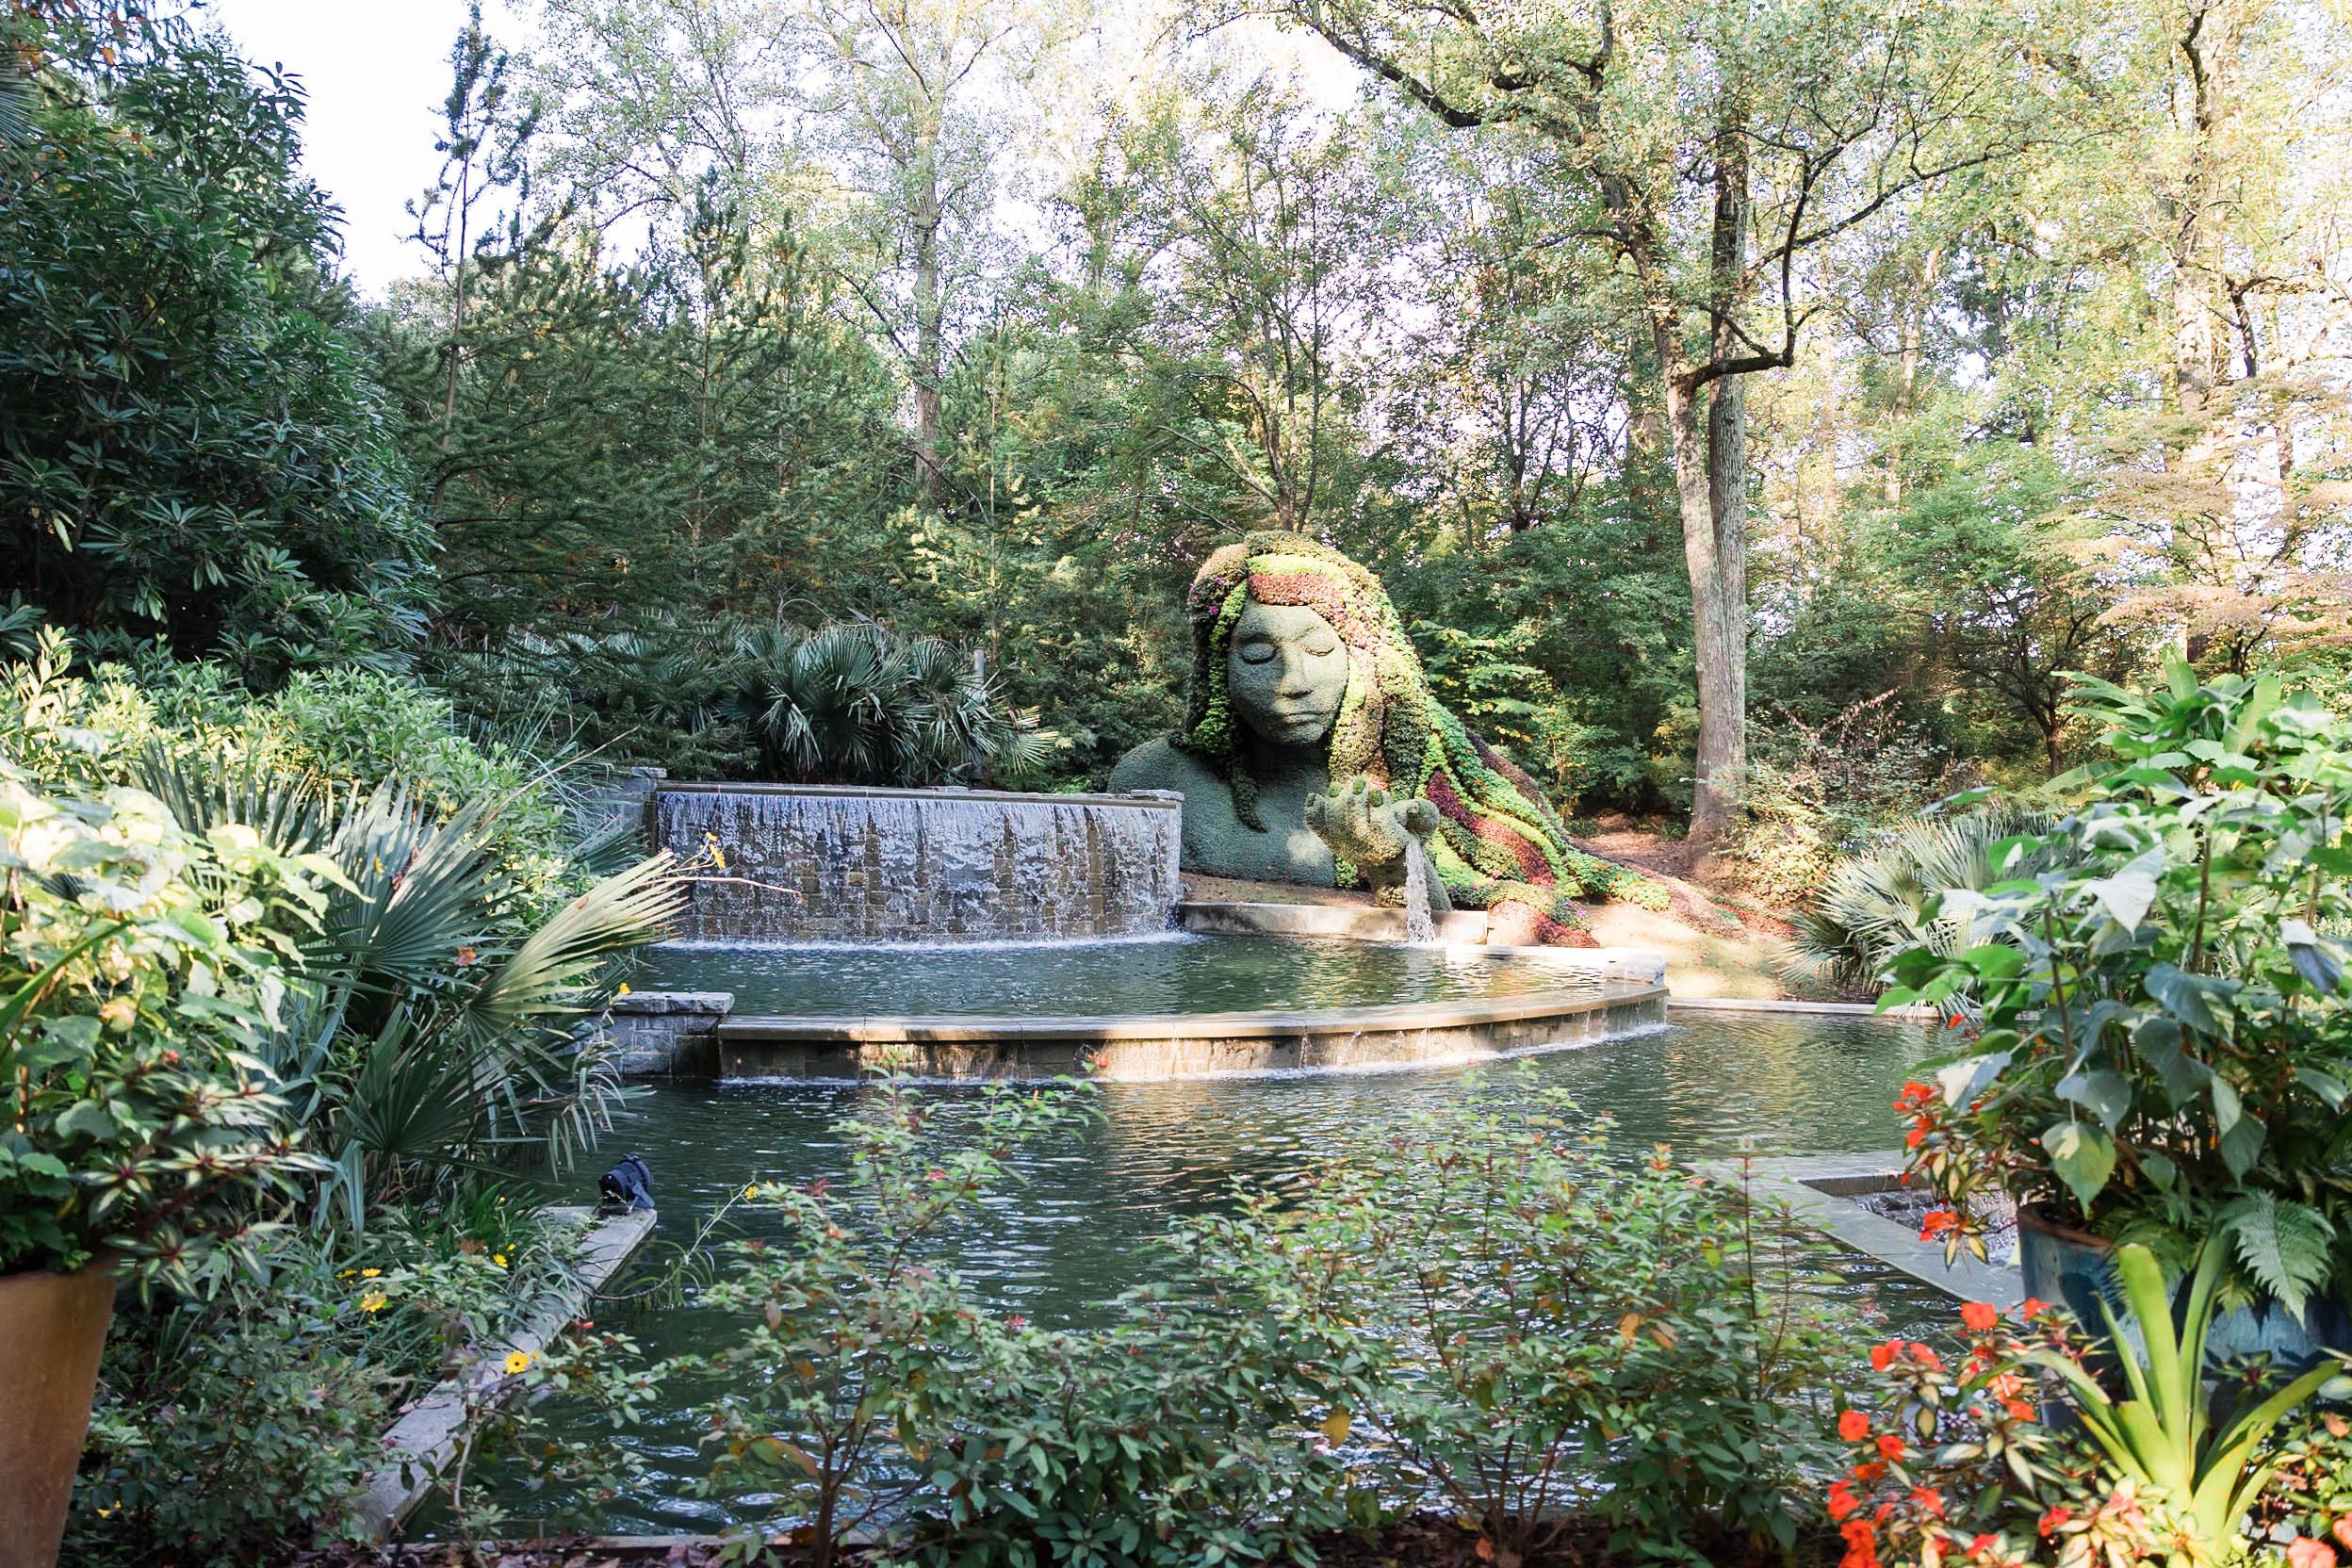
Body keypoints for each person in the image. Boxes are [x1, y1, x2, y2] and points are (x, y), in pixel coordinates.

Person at [1110, 532, 1663, 944]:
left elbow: (1432, 934)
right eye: (1258, 655)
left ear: (1362, 666)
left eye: (1321, 651)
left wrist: (1391, 858)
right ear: (1216, 671)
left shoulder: (1402, 783)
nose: (1294, 682)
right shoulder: (1153, 780)